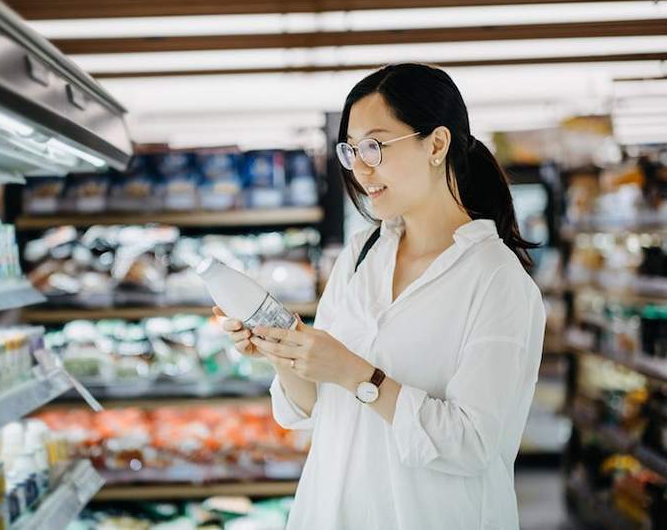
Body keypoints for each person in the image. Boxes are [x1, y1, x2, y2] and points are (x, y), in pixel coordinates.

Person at [214, 63, 546, 529]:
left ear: (436, 144)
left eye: (375, 145)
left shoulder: (496, 279)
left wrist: (355, 373)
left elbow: (473, 444)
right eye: (351, 150)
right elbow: (310, 410)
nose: (360, 167)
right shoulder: (361, 255)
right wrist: (283, 353)